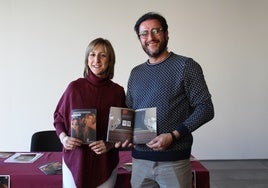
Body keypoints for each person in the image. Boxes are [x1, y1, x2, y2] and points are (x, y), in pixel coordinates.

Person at [125, 12, 214, 188]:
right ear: (140, 38)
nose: (150, 37)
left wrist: (174, 135)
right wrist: (123, 133)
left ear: (166, 33)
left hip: (174, 161)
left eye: (156, 30)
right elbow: (129, 110)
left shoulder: (186, 66)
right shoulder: (136, 73)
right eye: (144, 33)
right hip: (140, 161)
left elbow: (205, 108)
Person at [53, 38, 126, 188]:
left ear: (110, 60)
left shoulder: (117, 92)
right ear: (87, 59)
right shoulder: (74, 88)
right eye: (92, 55)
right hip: (75, 161)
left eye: (103, 55)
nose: (96, 60)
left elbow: (121, 130)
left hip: (105, 162)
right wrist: (64, 138)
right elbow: (58, 118)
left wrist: (110, 144)